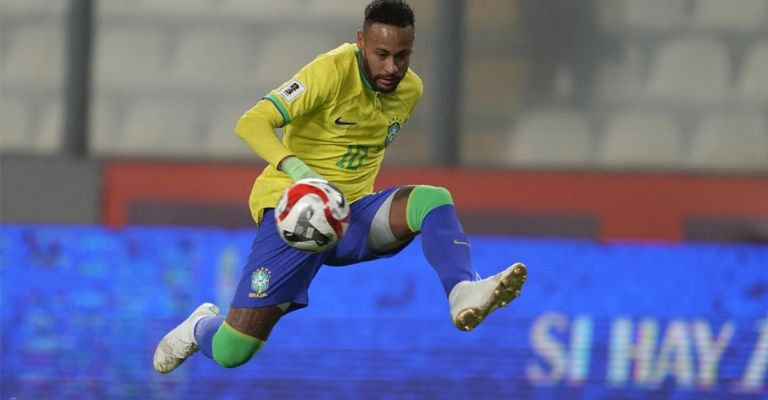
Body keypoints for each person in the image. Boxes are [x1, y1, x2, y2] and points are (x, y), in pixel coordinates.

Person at [153, 0, 527, 373]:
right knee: (233, 350)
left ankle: (462, 290)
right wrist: (299, 171)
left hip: (351, 215)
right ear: (361, 42)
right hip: (297, 213)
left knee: (432, 200)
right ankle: (199, 326)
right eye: (381, 54)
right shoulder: (329, 72)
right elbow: (251, 122)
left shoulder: (410, 89)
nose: (392, 67)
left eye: (402, 56)